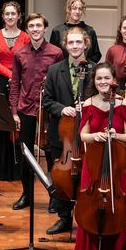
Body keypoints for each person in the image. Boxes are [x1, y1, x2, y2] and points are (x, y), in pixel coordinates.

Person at [75, 63, 126, 250]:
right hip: (93, 166)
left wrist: (114, 135)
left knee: (116, 207)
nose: (103, 82)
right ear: (94, 81)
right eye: (99, 78)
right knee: (89, 206)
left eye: (106, 78)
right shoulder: (88, 103)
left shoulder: (124, 104)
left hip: (116, 165)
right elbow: (82, 134)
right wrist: (95, 136)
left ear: (113, 81)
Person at [9, 12, 63, 210]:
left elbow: (59, 82)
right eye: (31, 26)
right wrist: (14, 112)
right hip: (25, 109)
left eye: (38, 25)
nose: (35, 29)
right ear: (27, 29)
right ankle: (27, 195)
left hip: (48, 110)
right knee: (26, 154)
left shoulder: (56, 52)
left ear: (45, 28)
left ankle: (54, 196)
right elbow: (15, 84)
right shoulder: (19, 53)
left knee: (50, 154)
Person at [42, 27, 92, 235]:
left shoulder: (95, 70)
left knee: (87, 176)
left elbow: (104, 98)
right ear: (65, 45)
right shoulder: (54, 70)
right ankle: (64, 219)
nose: (74, 46)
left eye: (78, 42)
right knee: (61, 178)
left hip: (87, 135)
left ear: (86, 44)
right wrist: (63, 109)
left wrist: (88, 105)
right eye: (70, 43)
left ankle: (85, 217)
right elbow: (47, 101)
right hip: (61, 135)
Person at [0, 1, 29, 185]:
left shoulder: (26, 37)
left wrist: (16, 77)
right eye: (7, 14)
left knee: (15, 123)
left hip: (21, 82)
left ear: (19, 16)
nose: (10, 17)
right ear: (3, 16)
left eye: (13, 14)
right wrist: (11, 75)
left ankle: (15, 170)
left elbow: (27, 59)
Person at [48, 0, 102, 65]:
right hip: (62, 71)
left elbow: (96, 54)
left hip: (84, 71)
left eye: (80, 9)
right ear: (69, 10)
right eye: (74, 8)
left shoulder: (90, 31)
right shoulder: (57, 31)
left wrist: (85, 65)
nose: (77, 11)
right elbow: (52, 54)